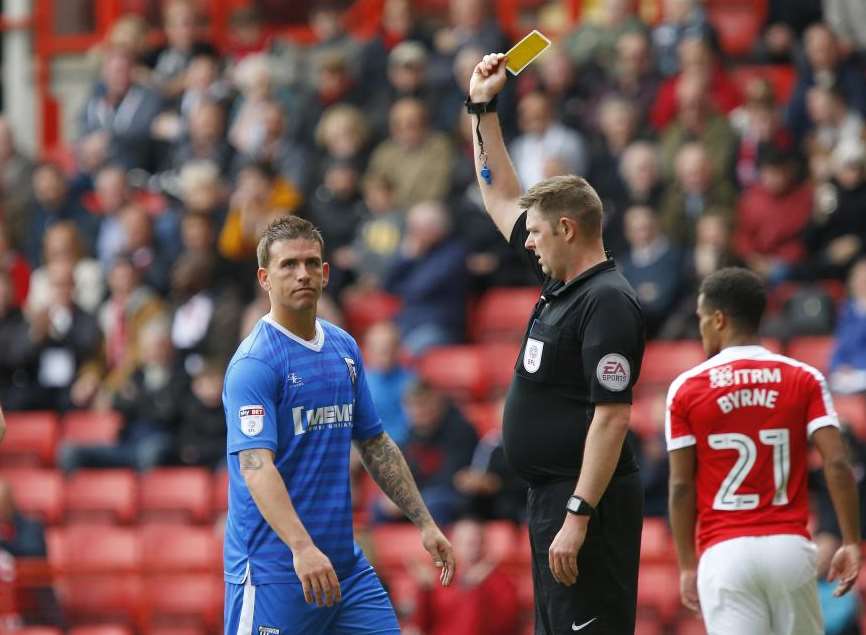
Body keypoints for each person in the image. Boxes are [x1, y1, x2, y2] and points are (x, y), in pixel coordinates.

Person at [467, 53, 646, 634]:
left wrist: (578, 513)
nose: (529, 242)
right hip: (553, 498)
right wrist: (483, 109)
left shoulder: (607, 301)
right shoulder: (562, 284)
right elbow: (499, 197)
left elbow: (612, 419)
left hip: (585, 505)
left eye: (538, 232)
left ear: (567, 229)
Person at [222, 216, 455, 634]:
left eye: (312, 263)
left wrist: (424, 521)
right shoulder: (254, 363)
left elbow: (376, 443)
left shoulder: (344, 347)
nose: (303, 274)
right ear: (264, 278)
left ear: (326, 273)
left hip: (343, 567)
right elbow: (256, 466)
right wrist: (301, 547)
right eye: (288, 265)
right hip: (277, 568)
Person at [666, 267, 862, 635]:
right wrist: (851, 540)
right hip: (789, 547)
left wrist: (687, 565)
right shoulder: (804, 377)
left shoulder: (686, 389)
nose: (701, 327)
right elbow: (837, 463)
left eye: (702, 319)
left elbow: (680, 487)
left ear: (719, 320)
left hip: (724, 551)